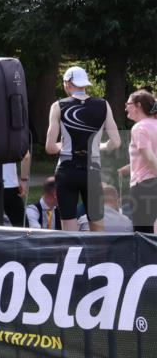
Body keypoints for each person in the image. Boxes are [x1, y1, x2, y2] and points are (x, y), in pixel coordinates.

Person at [44, 65, 121, 231]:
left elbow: (50, 147)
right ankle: (99, 257)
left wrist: (63, 146)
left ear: (68, 83)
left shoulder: (58, 106)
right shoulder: (103, 105)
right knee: (98, 229)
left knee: (69, 232)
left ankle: (71, 257)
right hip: (92, 170)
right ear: (85, 84)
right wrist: (99, 146)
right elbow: (116, 142)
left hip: (67, 170)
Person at [119, 88, 157, 233]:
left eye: (128, 103)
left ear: (138, 105)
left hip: (144, 187)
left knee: (143, 234)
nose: (125, 107)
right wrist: (128, 168)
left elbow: (149, 157)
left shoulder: (139, 128)